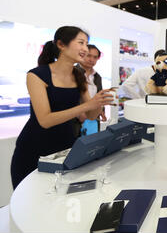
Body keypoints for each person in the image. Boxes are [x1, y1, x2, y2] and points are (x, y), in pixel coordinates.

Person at [10, 26, 114, 189]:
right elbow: (45, 120)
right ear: (61, 44)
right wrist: (88, 105)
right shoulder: (36, 75)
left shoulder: (78, 75)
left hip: (65, 147)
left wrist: (99, 102)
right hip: (33, 149)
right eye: (81, 43)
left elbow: (91, 115)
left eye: (87, 44)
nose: (85, 49)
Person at [73, 44, 106, 135]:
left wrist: (101, 111)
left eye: (95, 57)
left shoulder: (97, 76)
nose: (91, 59)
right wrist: (79, 113)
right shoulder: (72, 72)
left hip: (93, 118)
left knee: (92, 144)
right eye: (89, 56)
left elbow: (100, 96)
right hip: (75, 120)